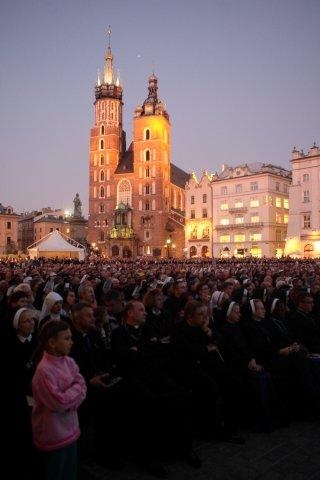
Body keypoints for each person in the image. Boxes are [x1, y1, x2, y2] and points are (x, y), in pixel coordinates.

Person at [31, 320, 87, 480]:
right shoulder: (44, 371)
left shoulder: (68, 361)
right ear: (52, 343)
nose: (72, 342)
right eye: (67, 338)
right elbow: (59, 403)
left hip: (70, 429)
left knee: (70, 472)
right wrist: (75, 394)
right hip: (53, 434)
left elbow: (82, 384)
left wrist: (72, 396)